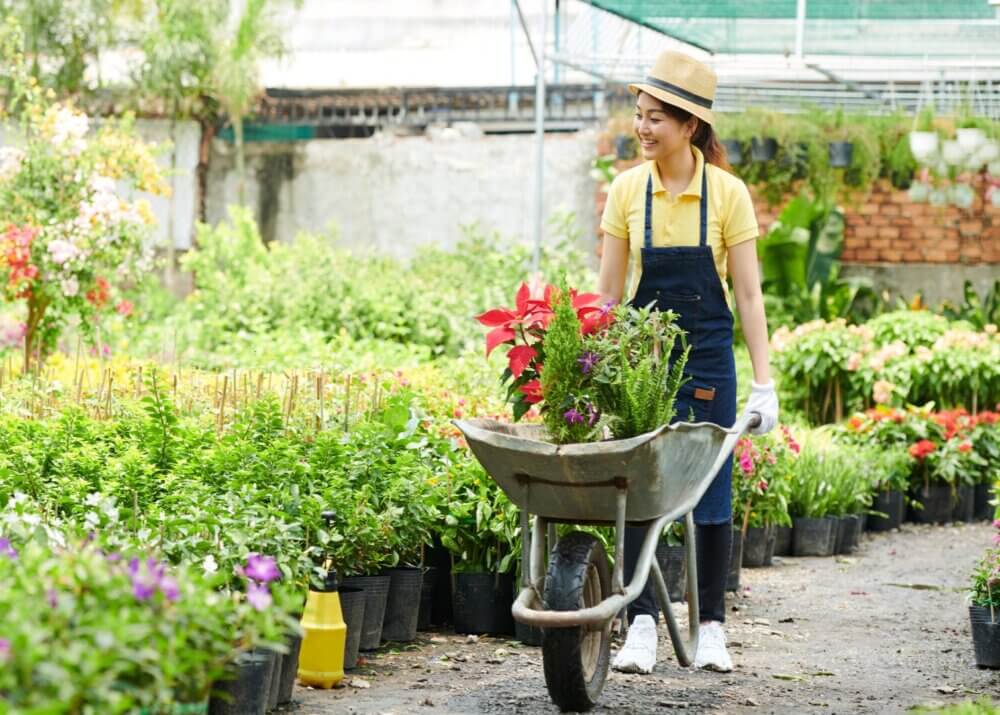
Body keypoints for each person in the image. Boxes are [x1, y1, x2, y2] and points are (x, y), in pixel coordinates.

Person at [596, 50, 779, 674]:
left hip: (706, 362)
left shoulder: (727, 194)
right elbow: (608, 297)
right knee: (636, 484)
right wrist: (598, 369)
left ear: (689, 126)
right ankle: (641, 624)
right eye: (639, 115)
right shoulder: (626, 191)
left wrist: (764, 382)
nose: (642, 128)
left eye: (655, 119)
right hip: (643, 365)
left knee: (710, 488)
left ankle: (713, 629)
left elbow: (749, 295)